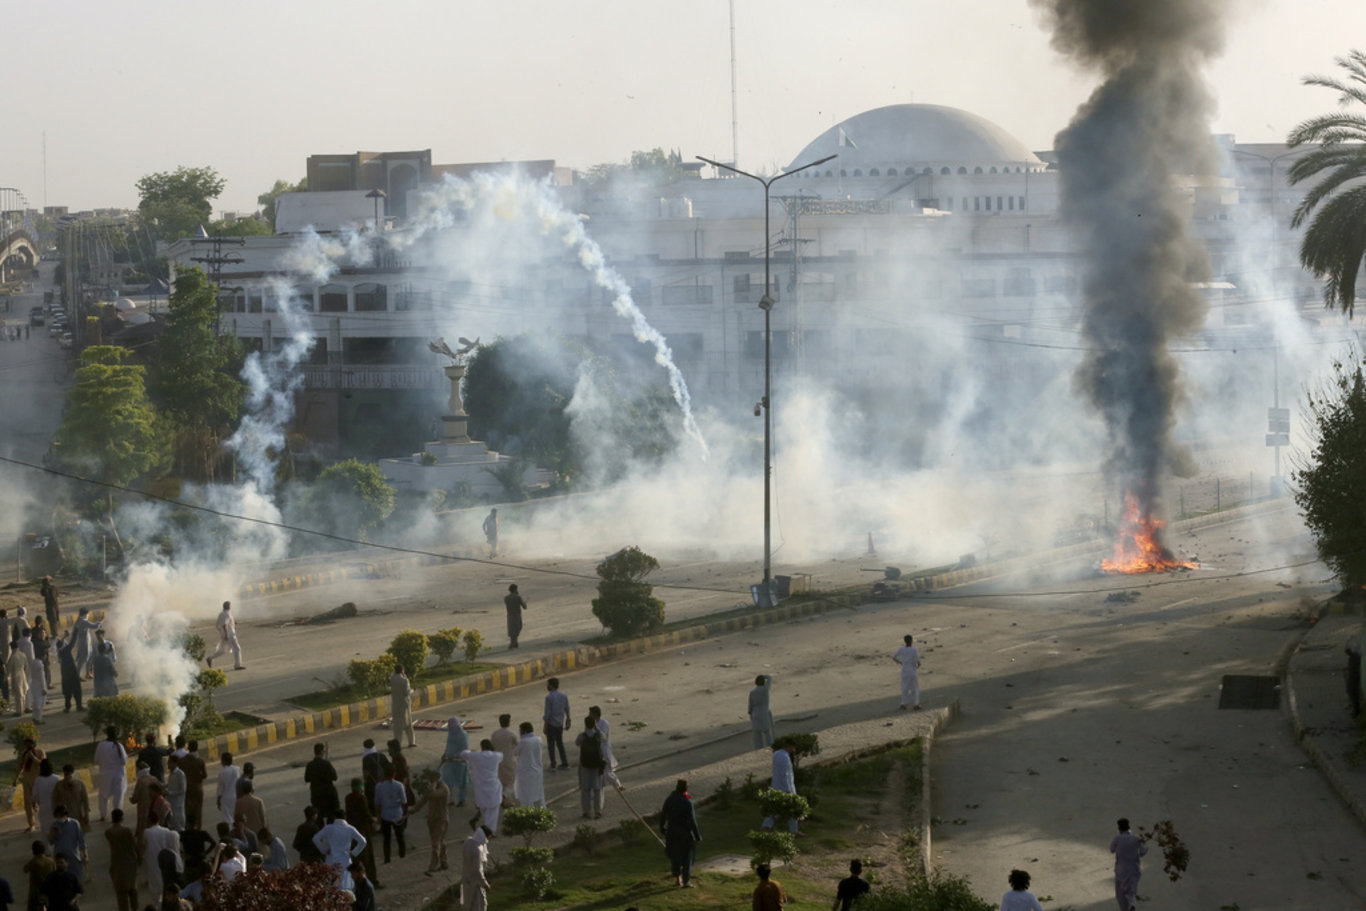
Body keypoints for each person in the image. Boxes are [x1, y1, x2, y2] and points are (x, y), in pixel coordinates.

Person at [312, 809, 367, 892]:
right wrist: (354, 853)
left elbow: (315, 838)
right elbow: (363, 841)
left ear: (334, 817)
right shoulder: (350, 829)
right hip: (345, 860)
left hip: (331, 859)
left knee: (331, 884)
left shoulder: (329, 828)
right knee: (345, 885)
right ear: (345, 817)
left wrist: (324, 850)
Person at [660, 779, 701, 888]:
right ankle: (686, 881)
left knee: (675, 856)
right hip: (685, 834)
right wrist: (697, 836)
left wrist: (662, 828)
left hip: (672, 833)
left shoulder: (669, 799)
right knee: (687, 858)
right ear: (686, 789)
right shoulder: (687, 802)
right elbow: (692, 821)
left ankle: (678, 879)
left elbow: (663, 814)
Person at [459, 739, 504, 834]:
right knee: (493, 812)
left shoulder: (476, 756)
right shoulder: (496, 756)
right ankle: (490, 831)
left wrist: (471, 751)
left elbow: (463, 754)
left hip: (481, 788)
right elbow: (502, 755)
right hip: (494, 787)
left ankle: (487, 831)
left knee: (484, 810)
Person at [344, 778, 382, 890]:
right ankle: (372, 880)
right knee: (368, 858)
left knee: (355, 857)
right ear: (360, 786)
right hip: (363, 830)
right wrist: (373, 820)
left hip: (352, 832)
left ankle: (355, 881)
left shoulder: (348, 798)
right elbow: (366, 813)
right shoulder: (362, 798)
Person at [411, 768, 450, 874]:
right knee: (440, 840)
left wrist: (434, 782)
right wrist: (414, 809)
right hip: (432, 818)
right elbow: (424, 800)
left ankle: (432, 867)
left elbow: (433, 794)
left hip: (441, 819)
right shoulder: (431, 787)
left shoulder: (443, 788)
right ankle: (444, 862)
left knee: (435, 843)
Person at [761, 742, 801, 834]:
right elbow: (785, 775)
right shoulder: (785, 758)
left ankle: (766, 826)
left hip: (776, 785)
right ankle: (794, 830)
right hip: (785, 787)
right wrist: (788, 789)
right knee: (792, 807)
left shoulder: (777, 754)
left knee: (775, 808)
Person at [106, 808, 140, 911]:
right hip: (129, 862)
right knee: (133, 890)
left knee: (121, 893)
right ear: (122, 818)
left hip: (117, 864)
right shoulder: (127, 831)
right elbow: (134, 845)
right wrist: (139, 857)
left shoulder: (108, 832)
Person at [1110, 817, 1148, 911]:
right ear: (1128, 827)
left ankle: (1125, 909)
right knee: (1131, 892)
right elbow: (1143, 852)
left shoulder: (1117, 838)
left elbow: (1112, 849)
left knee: (1120, 894)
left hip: (1120, 870)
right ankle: (1132, 905)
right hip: (1134, 869)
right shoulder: (1136, 838)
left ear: (1119, 828)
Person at [373, 768, 408, 864]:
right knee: (400, 837)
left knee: (386, 839)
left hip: (385, 815)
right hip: (397, 814)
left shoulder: (379, 786)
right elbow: (404, 801)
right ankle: (402, 855)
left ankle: (387, 859)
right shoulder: (399, 785)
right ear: (394, 774)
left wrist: (378, 816)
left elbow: (377, 803)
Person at [575, 715, 606, 819]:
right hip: (597, 766)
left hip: (585, 766)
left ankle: (586, 811)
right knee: (598, 789)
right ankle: (598, 811)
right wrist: (596, 729)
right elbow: (605, 739)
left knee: (585, 789)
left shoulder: (582, 736)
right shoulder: (599, 735)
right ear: (595, 724)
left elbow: (577, 743)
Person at [95, 726, 128, 821]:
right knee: (118, 797)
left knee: (103, 796)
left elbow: (96, 759)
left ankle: (103, 814)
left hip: (104, 775)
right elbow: (124, 761)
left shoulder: (101, 745)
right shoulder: (119, 746)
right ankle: (117, 815)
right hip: (118, 775)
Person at [47, 805, 86, 883]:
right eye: (57, 817)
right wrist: (54, 835)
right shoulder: (54, 826)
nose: (59, 819)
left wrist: (85, 853)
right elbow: (50, 842)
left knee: (76, 877)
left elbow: (81, 839)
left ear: (65, 815)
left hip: (73, 855)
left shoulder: (74, 823)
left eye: (60, 816)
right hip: (60, 856)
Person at [589, 704, 623, 790]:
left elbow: (603, 737)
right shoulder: (592, 724)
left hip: (604, 751)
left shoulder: (604, 723)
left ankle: (617, 784)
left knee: (606, 772)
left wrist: (596, 729)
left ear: (595, 714)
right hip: (597, 752)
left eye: (590, 714)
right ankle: (615, 785)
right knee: (602, 772)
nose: (589, 715)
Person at [15, 740, 47, 832]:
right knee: (27, 803)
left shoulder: (40, 752)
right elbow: (20, 767)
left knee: (41, 802)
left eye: (30, 743)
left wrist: (33, 757)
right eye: (26, 744)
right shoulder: (24, 754)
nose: (28, 745)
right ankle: (31, 824)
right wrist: (15, 779)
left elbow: (42, 763)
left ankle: (45, 821)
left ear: (34, 744)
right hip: (27, 780)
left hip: (37, 780)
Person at [514, 721, 546, 808]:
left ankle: (529, 815)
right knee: (539, 795)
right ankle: (542, 814)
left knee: (526, 797)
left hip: (526, 773)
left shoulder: (523, 742)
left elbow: (514, 752)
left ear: (524, 731)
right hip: (537, 771)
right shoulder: (538, 739)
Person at [440, 716, 470, 806]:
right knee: (447, 781)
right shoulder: (450, 734)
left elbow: (464, 748)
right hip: (449, 761)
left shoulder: (463, 735)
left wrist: (455, 757)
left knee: (462, 782)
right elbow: (449, 745)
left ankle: (462, 799)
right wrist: (445, 754)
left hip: (459, 762)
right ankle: (450, 799)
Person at [460, 823, 491, 911]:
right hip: (475, 884)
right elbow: (477, 870)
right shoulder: (477, 850)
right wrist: (485, 884)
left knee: (467, 905)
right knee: (478, 906)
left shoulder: (467, 842)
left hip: (466, 880)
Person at [306, 742, 340, 818]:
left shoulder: (310, 765)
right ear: (322, 752)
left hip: (316, 794)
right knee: (331, 816)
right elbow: (335, 777)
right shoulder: (326, 764)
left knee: (319, 817)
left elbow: (307, 779)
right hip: (328, 794)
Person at [52, 764, 90, 832]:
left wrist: (86, 814)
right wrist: (56, 814)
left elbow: (85, 800)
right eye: (66, 774)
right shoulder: (59, 786)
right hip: (65, 816)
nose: (67, 776)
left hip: (78, 815)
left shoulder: (80, 784)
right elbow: (54, 800)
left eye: (69, 774)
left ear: (72, 773)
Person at [543, 676, 570, 771]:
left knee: (551, 745)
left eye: (548, 684)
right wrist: (568, 720)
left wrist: (545, 726)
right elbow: (567, 709)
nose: (547, 686)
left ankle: (553, 764)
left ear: (551, 685)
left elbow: (547, 714)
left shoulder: (549, 698)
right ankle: (564, 762)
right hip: (560, 724)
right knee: (560, 743)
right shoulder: (563, 695)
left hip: (551, 724)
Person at [207, 601, 244, 670]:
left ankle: (210, 658)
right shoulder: (227, 614)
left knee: (222, 650)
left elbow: (218, 625)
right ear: (229, 606)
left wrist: (233, 623)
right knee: (237, 648)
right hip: (229, 634)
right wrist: (226, 634)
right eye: (230, 605)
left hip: (224, 634)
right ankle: (237, 665)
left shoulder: (221, 614)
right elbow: (225, 624)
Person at [490, 714, 519, 803]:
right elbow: (517, 746)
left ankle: (504, 801)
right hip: (509, 760)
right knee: (511, 782)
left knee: (501, 781)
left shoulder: (495, 734)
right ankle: (505, 795)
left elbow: (492, 746)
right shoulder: (511, 734)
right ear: (508, 722)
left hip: (498, 761)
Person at [180, 741, 208, 830]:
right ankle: (198, 829)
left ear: (188, 748)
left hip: (187, 789)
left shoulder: (182, 761)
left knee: (187, 810)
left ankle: (188, 828)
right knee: (198, 811)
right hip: (198, 789)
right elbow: (204, 775)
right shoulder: (200, 761)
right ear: (197, 748)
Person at [360, 739, 392, 814]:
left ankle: (374, 814)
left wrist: (365, 782)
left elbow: (365, 773)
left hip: (371, 783)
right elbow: (388, 767)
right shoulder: (381, 755)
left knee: (372, 800)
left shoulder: (366, 758)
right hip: (383, 781)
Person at [23, 841, 55, 911]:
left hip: (37, 892)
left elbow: (25, 869)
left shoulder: (34, 862)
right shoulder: (51, 861)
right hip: (50, 890)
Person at [893, 634, 922, 710]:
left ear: (904, 641)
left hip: (904, 671)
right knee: (914, 688)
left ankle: (903, 704)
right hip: (912, 671)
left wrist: (900, 662)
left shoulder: (901, 649)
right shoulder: (914, 650)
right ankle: (916, 704)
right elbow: (919, 662)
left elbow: (894, 657)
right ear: (911, 641)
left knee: (904, 688)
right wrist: (916, 667)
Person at [32, 760, 60, 837]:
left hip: (44, 809)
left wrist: (35, 804)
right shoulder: (57, 778)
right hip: (56, 808)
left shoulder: (38, 780)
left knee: (46, 832)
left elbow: (35, 796)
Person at [55, 633, 81, 713]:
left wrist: (63, 637)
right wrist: (76, 630)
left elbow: (59, 644)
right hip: (72, 671)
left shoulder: (60, 651)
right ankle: (79, 706)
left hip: (65, 672)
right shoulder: (66, 650)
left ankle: (67, 707)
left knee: (67, 691)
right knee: (77, 689)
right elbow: (73, 642)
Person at [390, 665, 416, 748]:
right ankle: (411, 742)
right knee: (408, 724)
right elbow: (407, 692)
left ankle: (397, 743)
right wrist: (412, 690)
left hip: (396, 705)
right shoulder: (405, 680)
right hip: (404, 705)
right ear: (402, 671)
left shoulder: (392, 678)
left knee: (397, 726)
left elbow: (393, 674)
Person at [749, 673, 776, 748]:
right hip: (764, 713)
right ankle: (770, 748)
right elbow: (770, 678)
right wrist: (764, 676)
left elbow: (750, 705)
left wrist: (750, 714)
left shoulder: (752, 692)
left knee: (757, 736)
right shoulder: (765, 689)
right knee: (768, 734)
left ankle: (758, 750)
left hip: (755, 713)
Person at [72, 608, 99, 678]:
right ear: (84, 614)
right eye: (87, 614)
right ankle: (78, 675)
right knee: (83, 659)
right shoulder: (83, 622)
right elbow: (95, 626)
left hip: (85, 642)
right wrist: (101, 621)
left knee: (89, 658)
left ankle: (88, 673)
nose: (88, 615)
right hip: (84, 644)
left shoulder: (80, 621)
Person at [5, 634, 27, 716]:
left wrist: (6, 677)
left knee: (18, 695)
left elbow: (9, 669)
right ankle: (23, 709)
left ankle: (19, 711)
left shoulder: (13, 656)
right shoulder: (22, 654)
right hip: (23, 674)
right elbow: (26, 666)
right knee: (23, 693)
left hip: (16, 676)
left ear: (11, 648)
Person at [216, 752, 240, 827]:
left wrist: (218, 800)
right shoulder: (237, 769)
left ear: (224, 761)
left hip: (226, 798)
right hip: (236, 796)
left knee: (227, 818)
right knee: (235, 816)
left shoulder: (222, 773)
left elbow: (220, 788)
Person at [165, 754, 187, 831]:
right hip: (171, 801)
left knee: (179, 822)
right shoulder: (171, 774)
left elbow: (182, 790)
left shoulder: (180, 774)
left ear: (175, 763)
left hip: (178, 802)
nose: (168, 764)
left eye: (170, 762)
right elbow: (170, 784)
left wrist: (170, 793)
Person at [504, 583, 527, 648]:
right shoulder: (518, 597)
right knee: (517, 628)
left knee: (512, 630)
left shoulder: (506, 598)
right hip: (516, 615)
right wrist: (524, 602)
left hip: (509, 615)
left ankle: (514, 642)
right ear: (515, 590)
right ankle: (513, 643)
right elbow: (524, 607)